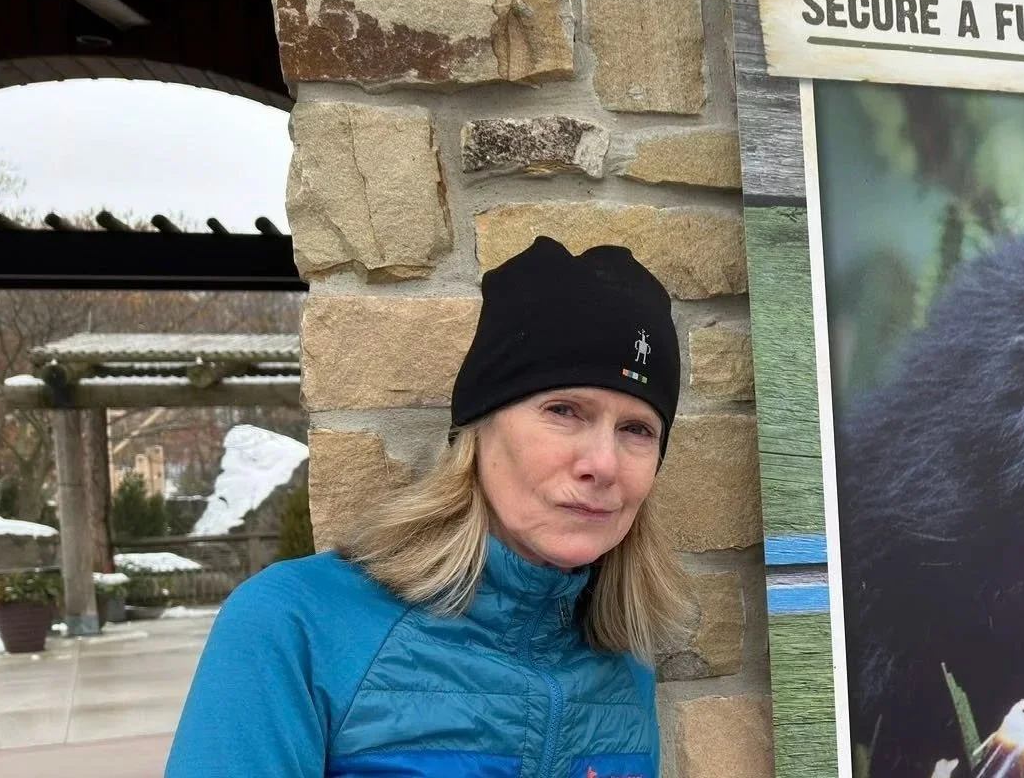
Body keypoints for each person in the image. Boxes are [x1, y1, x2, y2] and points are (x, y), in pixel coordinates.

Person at [165, 235, 692, 778]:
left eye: (637, 429)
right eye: (563, 410)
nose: (603, 464)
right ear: (478, 431)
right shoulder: (295, 627)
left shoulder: (626, 663)